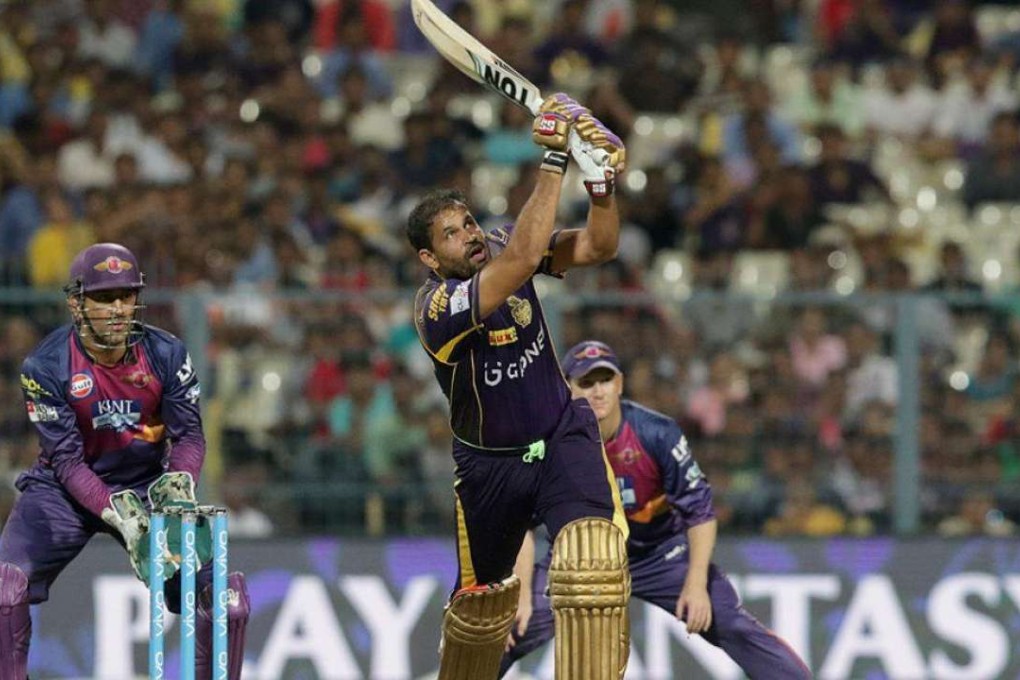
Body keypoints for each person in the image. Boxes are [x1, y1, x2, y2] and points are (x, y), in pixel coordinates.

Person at [407, 95, 630, 680]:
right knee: (480, 616)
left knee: (593, 567)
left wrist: (602, 184)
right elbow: (528, 255)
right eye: (453, 235)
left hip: (560, 435)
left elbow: (599, 247)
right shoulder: (437, 309)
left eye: (470, 223)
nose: (472, 237)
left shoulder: (505, 242)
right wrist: (557, 160)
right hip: (491, 468)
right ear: (431, 258)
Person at [0, 243, 250, 679]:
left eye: (126, 296)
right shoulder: (45, 366)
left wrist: (179, 485)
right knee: (4, 589)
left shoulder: (167, 354)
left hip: (149, 486)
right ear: (76, 304)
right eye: (103, 298)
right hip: (64, 491)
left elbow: (189, 436)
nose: (118, 309)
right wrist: (116, 513)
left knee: (226, 600)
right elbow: (66, 460)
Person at [500, 340, 813, 679]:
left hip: (659, 554)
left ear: (619, 384)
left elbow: (700, 512)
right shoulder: (547, 447)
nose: (598, 391)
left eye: (605, 380)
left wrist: (695, 585)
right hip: (578, 560)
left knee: (730, 622)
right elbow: (521, 526)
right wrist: (520, 598)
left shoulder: (656, 434)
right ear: (568, 388)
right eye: (586, 383)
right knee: (508, 631)